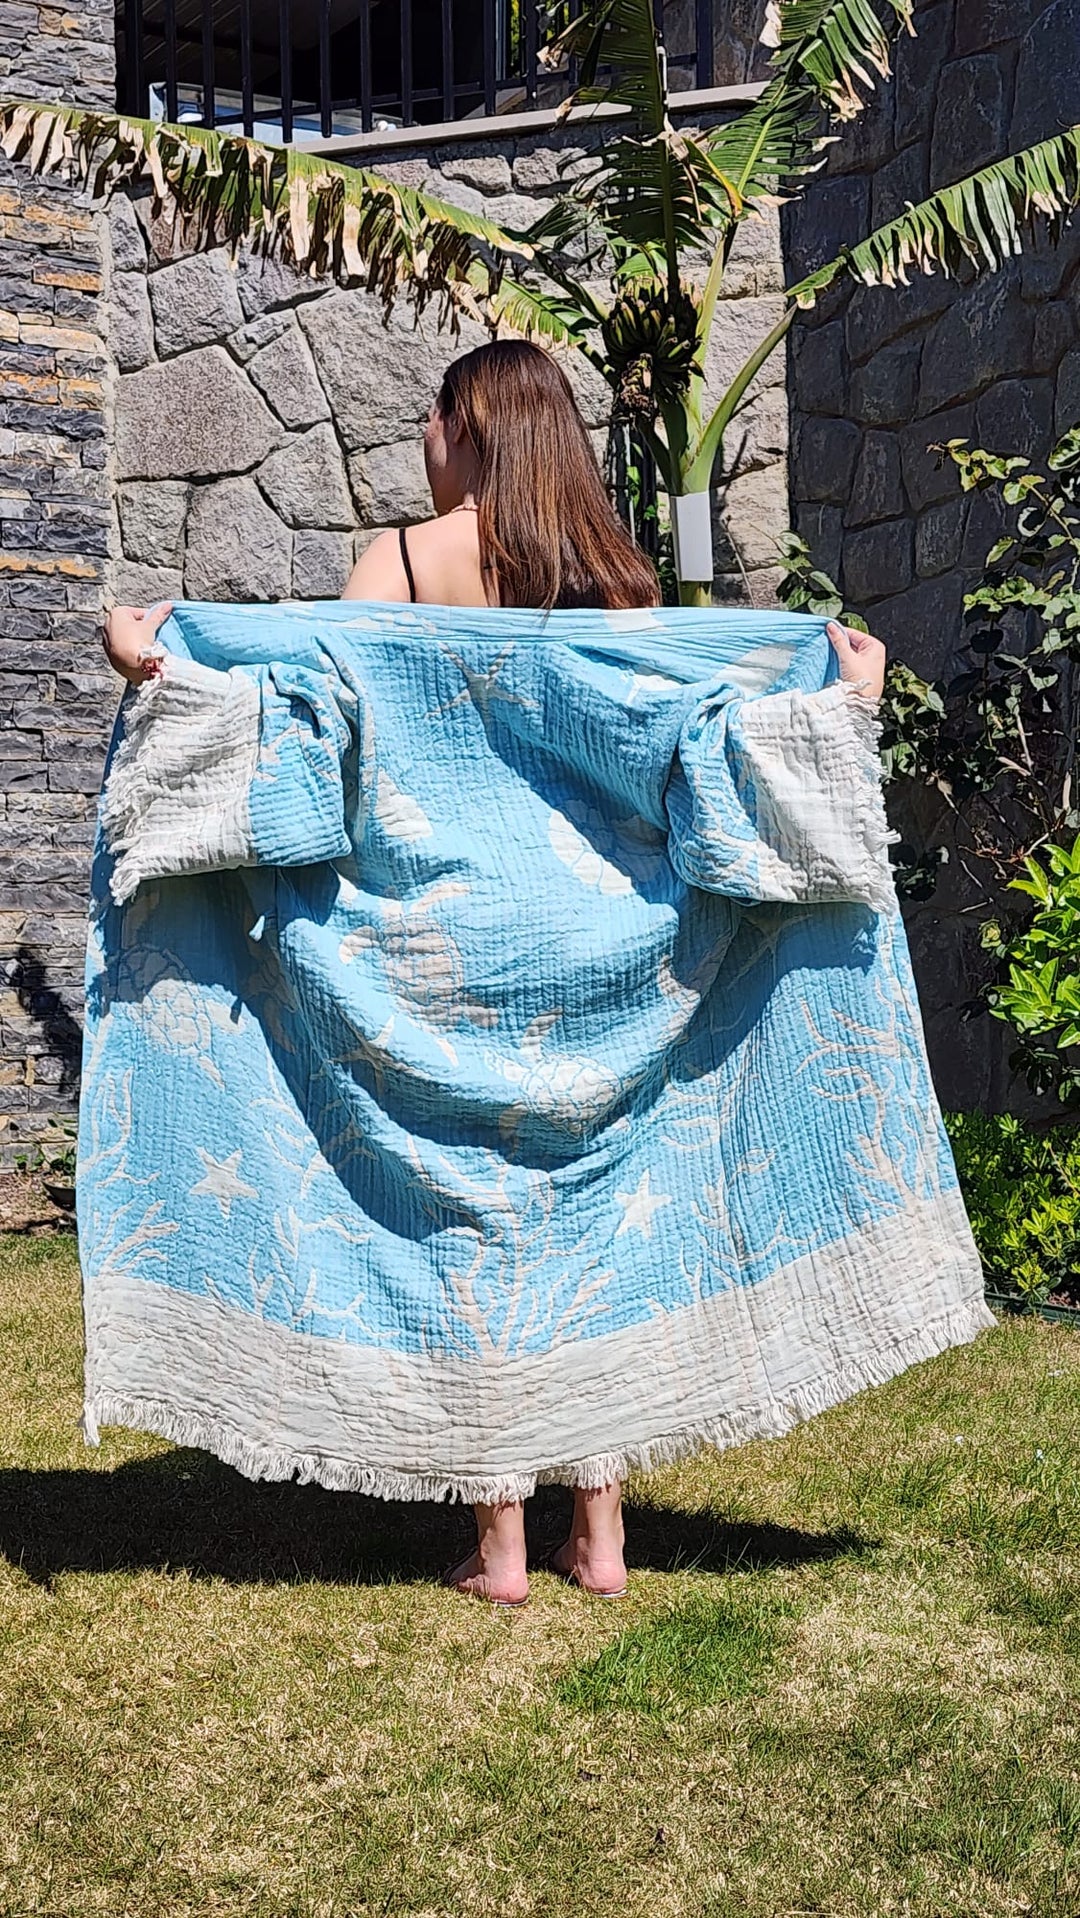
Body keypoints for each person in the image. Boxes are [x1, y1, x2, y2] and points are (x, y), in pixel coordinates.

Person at [101, 339, 887, 1607]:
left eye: (431, 411)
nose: (419, 432)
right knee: (591, 1211)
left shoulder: (403, 562)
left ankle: (500, 1541)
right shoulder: (615, 580)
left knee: (467, 1219)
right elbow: (681, 740)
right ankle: (605, 1536)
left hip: (439, 946)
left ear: (469, 427)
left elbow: (309, 724)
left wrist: (154, 667)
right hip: (596, 953)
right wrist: (839, 706)